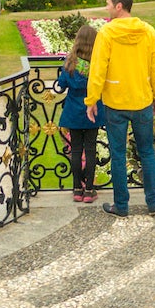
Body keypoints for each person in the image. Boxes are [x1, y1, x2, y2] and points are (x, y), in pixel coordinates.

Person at [85, 0, 155, 217]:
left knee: (118, 154)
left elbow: (98, 69)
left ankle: (121, 205)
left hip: (116, 101)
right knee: (147, 152)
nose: (107, 8)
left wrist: (92, 99)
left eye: (108, 4)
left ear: (119, 6)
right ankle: (153, 202)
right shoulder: (147, 31)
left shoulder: (107, 33)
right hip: (141, 99)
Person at [55, 23, 102, 203]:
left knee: (76, 150)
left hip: (73, 110)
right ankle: (89, 189)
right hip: (93, 110)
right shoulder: (97, 64)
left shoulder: (70, 63)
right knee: (90, 149)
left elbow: (61, 85)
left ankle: (76, 188)